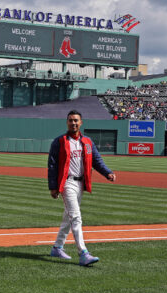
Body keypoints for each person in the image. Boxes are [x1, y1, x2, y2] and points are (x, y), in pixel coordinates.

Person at [47, 110, 116, 266]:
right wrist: (53, 187)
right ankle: (83, 253)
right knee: (76, 217)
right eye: (71, 120)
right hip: (67, 183)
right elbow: (52, 165)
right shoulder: (59, 141)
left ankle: (57, 247)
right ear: (67, 122)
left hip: (80, 184)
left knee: (68, 217)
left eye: (76, 120)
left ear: (81, 122)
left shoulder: (87, 142)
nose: (73, 123)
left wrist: (108, 173)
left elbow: (96, 160)